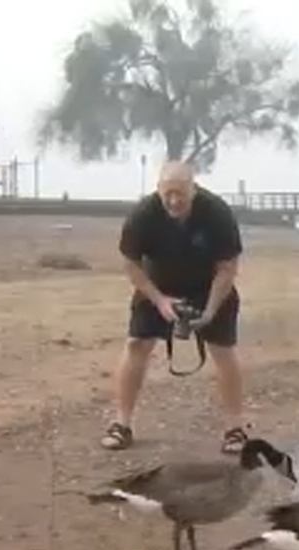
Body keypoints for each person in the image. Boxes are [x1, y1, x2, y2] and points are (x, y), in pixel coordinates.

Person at [102, 161, 248, 454]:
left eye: (181, 193)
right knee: (136, 345)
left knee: (223, 350)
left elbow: (228, 267)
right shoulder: (143, 214)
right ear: (158, 190)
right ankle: (122, 424)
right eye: (167, 193)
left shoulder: (216, 212)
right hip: (158, 286)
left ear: (194, 189)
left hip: (209, 287)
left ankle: (236, 429)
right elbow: (130, 264)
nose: (174, 200)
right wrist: (158, 300)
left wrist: (208, 311)